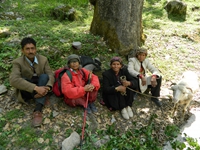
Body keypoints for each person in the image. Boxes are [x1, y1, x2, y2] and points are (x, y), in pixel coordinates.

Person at [9, 37, 55, 127]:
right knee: (22, 80)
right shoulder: (17, 62)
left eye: (32, 48)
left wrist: (48, 87)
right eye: (27, 49)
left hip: (41, 84)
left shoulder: (43, 59)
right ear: (22, 50)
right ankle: (42, 96)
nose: (30, 51)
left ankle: (37, 110)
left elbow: (50, 75)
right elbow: (13, 80)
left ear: (36, 49)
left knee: (44, 76)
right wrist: (36, 89)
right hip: (28, 91)